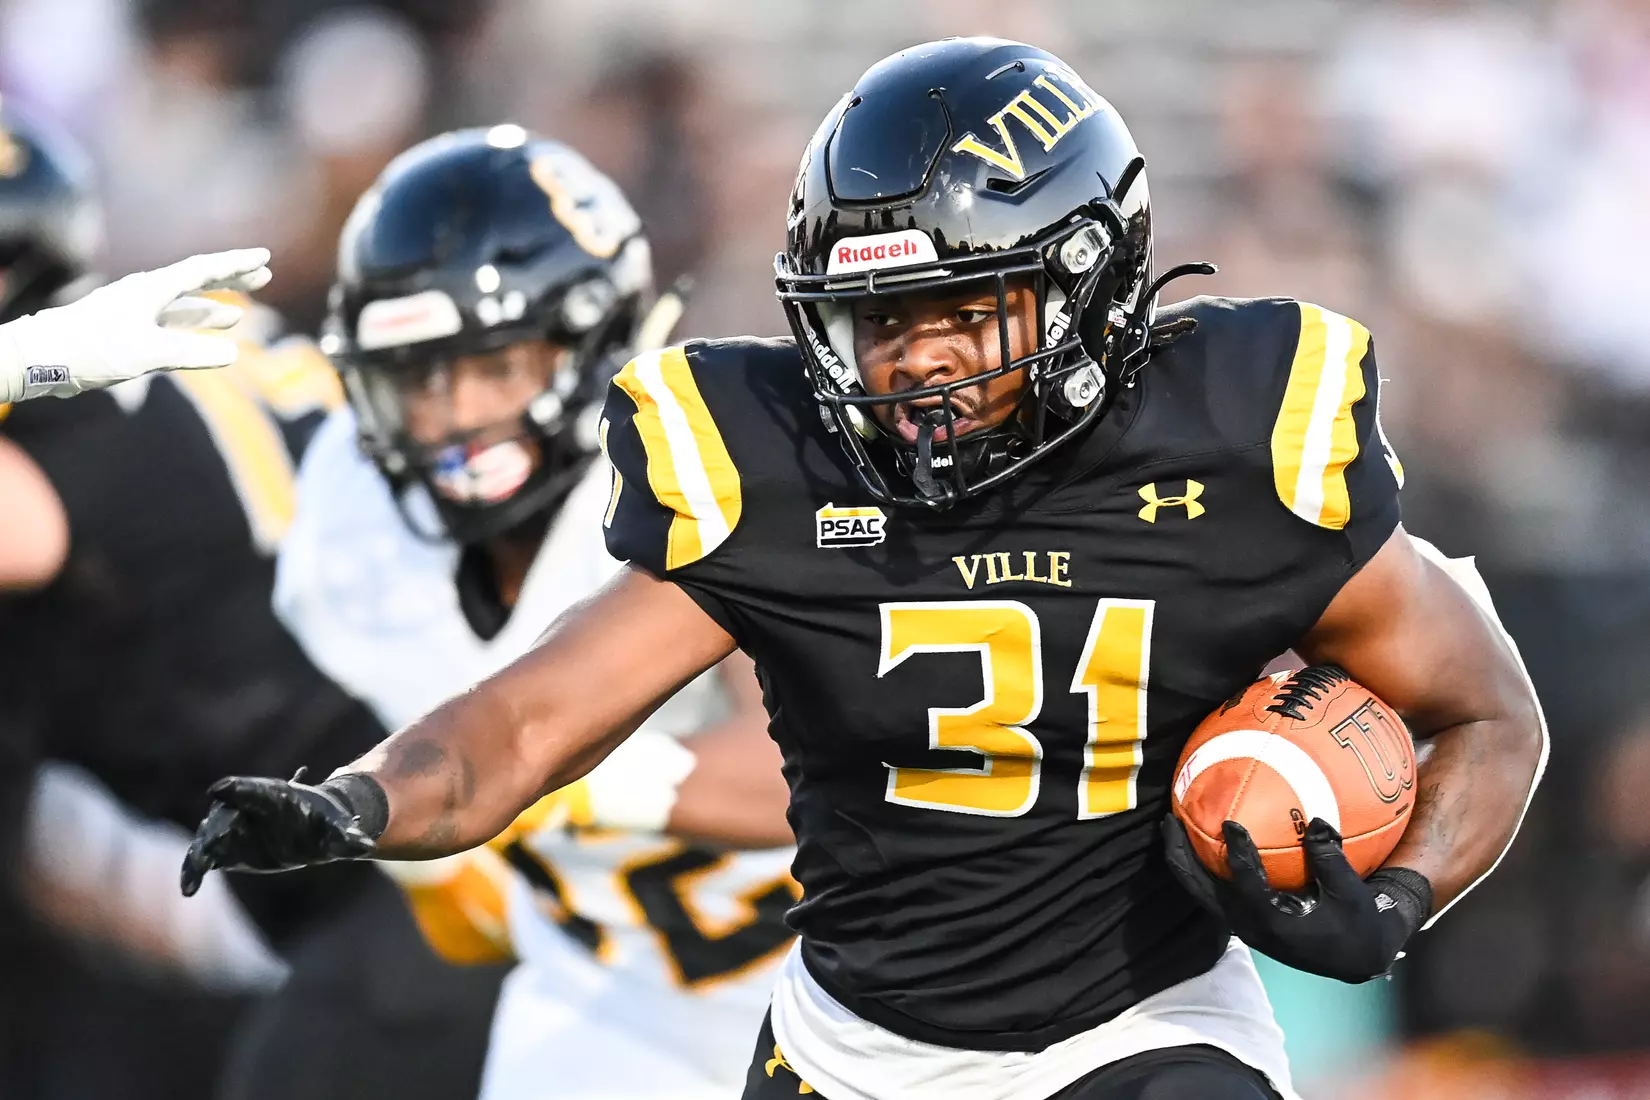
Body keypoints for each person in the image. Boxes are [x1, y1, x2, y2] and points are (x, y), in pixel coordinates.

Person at [181, 37, 1549, 1100]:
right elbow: (531, 717)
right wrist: (364, 800)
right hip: (852, 1055)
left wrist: (1407, 889)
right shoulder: (776, 466)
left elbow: (1487, 711)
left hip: (1139, 1026)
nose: (919, 361)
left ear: (1085, 279)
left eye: (962, 309)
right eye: (881, 322)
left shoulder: (1238, 446)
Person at [240, 125, 794, 1100]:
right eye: (421, 379)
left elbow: (804, 764)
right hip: (613, 994)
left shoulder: (710, 455)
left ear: (596, 340)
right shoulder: (352, 524)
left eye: (498, 367)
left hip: (835, 970)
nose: (455, 416)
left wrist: (540, 774)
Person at [0, 109, 381, 1100]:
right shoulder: (108, 343)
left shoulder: (66, 400)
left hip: (394, 849)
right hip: (338, 817)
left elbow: (20, 532)